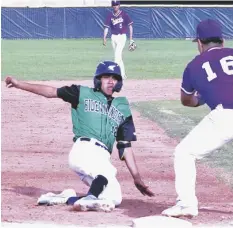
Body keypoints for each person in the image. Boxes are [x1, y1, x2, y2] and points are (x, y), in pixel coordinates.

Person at [5, 60, 154, 212]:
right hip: (84, 150)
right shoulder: (81, 93)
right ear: (98, 79)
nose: (110, 81)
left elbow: (125, 146)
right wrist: (19, 84)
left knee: (114, 197)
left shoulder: (122, 107)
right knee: (106, 173)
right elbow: (51, 92)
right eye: (106, 77)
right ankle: (90, 198)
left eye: (114, 78)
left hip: (102, 157)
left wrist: (136, 177)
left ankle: (65, 197)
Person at [162, 19, 233, 218]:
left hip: (226, 115)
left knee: (184, 153)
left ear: (200, 43)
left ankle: (186, 205)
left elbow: (187, 100)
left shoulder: (194, 65)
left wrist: (202, 97)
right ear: (223, 41)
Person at [103, 0, 134, 79]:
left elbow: (130, 26)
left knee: (117, 56)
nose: (115, 6)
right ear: (112, 6)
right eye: (114, 5)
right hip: (113, 37)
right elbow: (106, 28)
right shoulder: (110, 15)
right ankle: (123, 75)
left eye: (117, 4)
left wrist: (131, 39)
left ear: (119, 5)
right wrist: (104, 38)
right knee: (119, 56)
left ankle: (114, 74)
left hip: (122, 37)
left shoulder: (124, 14)